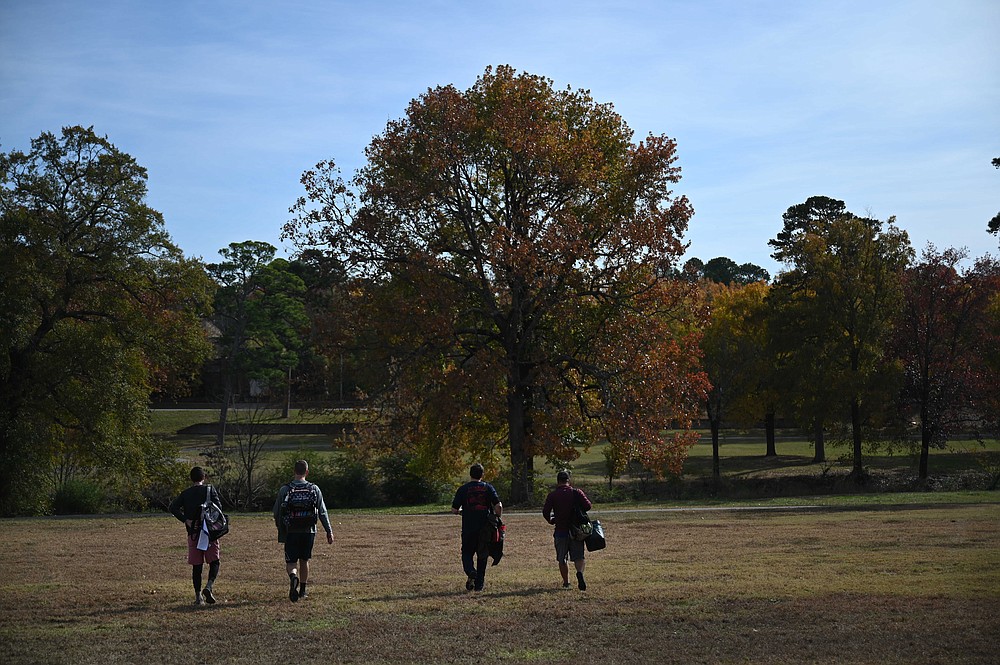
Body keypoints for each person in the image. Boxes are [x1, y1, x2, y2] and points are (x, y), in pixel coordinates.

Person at [273, 459, 334, 602]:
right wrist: (329, 531)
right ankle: (303, 590)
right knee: (304, 559)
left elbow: (276, 512)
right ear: (307, 472)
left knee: (291, 562)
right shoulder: (314, 489)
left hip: (291, 531)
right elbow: (322, 512)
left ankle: (293, 576)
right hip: (309, 531)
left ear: (294, 471)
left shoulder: (285, 489)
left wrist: (281, 527)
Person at [168, 466, 222, 605]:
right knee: (214, 561)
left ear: (191, 479)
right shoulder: (210, 490)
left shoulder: (186, 493)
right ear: (204, 478)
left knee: (197, 565)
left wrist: (186, 519)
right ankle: (209, 586)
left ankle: (198, 597)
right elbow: (219, 508)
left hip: (193, 532)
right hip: (209, 532)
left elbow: (173, 507)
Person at [451, 463, 502, 592]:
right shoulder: (488, 488)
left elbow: (454, 510)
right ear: (482, 474)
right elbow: (499, 506)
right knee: (482, 555)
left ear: (470, 474)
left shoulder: (463, 489)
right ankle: (479, 585)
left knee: (467, 553)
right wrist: (497, 516)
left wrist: (463, 511)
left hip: (468, 528)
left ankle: (471, 571)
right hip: (485, 529)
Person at [542, 469, 592, 590]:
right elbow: (588, 506)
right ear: (568, 480)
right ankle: (579, 572)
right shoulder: (577, 492)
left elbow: (545, 512)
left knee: (562, 558)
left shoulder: (553, 495)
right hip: (576, 531)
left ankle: (566, 582)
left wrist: (551, 520)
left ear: (558, 481)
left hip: (560, 531)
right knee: (579, 556)